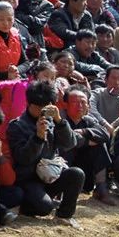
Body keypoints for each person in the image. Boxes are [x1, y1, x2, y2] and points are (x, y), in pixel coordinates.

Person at [7, 81, 84, 229]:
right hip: (29, 179)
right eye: (39, 107)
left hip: (51, 175)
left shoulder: (53, 121)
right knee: (44, 208)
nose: (43, 111)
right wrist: (38, 138)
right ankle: (25, 205)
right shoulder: (17, 125)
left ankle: (65, 215)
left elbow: (70, 144)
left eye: (46, 106)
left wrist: (60, 121)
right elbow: (23, 158)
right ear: (30, 104)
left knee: (76, 174)